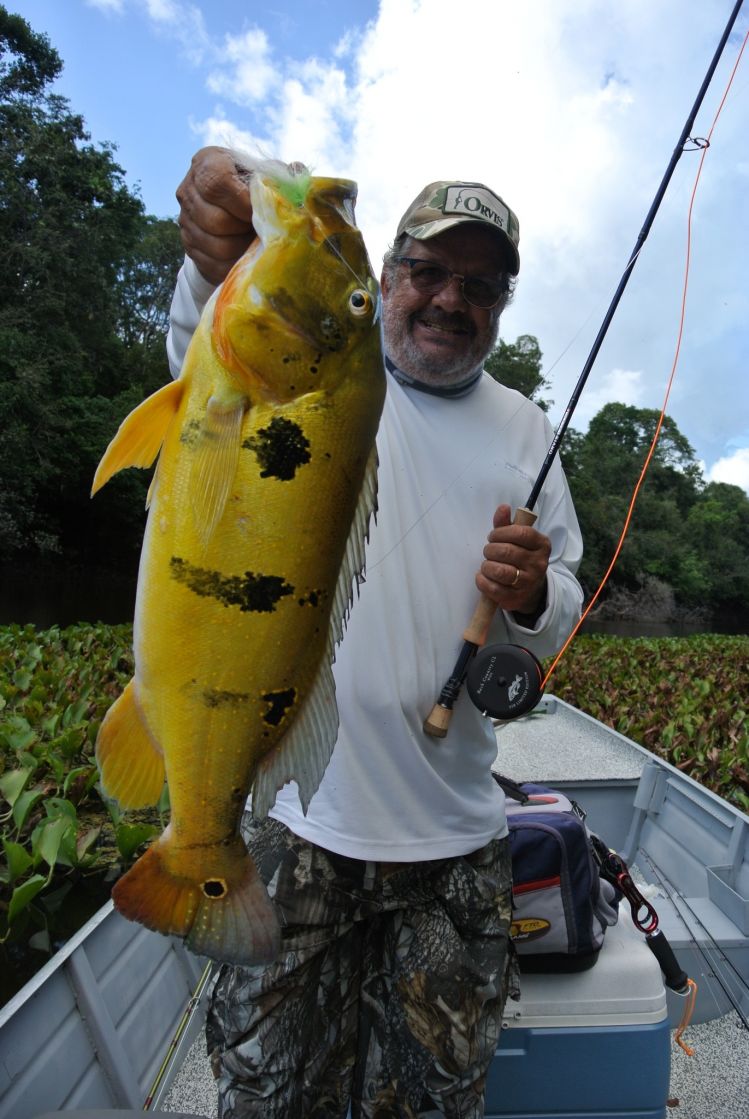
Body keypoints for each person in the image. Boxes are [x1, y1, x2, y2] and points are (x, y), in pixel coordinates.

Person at [168, 147, 584, 1119]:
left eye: (479, 285)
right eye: (427, 272)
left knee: (431, 1101)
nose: (449, 299)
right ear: (384, 276)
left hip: (455, 839)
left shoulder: (527, 431)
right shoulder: (310, 364)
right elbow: (205, 343)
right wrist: (210, 251)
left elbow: (562, 596)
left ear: (499, 305)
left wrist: (529, 599)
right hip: (296, 823)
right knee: (271, 1096)